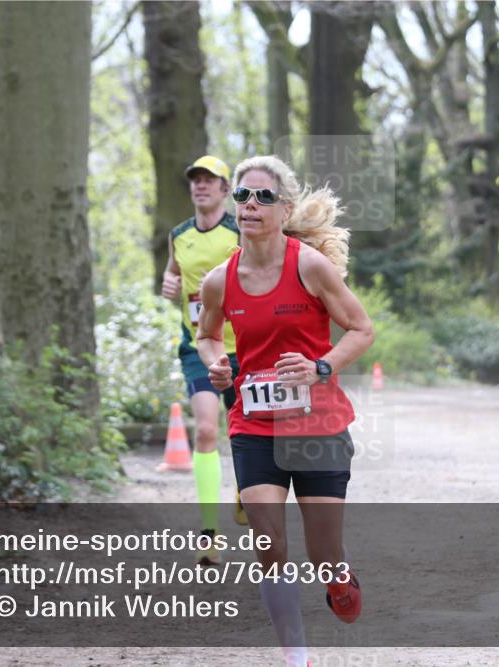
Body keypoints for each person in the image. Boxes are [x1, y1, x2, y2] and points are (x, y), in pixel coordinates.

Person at [196, 155, 374, 667]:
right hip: (254, 426)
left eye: (263, 197)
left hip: (317, 424)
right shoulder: (218, 280)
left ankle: (339, 578)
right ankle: (297, 656)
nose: (250, 205)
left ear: (285, 207)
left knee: (323, 557)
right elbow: (207, 336)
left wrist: (320, 367)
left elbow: (361, 330)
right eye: (243, 197)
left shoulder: (308, 267)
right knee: (269, 547)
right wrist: (218, 365)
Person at [161, 155, 247, 566]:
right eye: (196, 180)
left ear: (225, 189)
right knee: (208, 432)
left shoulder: (239, 232)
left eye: (210, 180)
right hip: (199, 345)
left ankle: (245, 491)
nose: (201, 186)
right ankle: (209, 532)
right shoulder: (179, 235)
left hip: (244, 345)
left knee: (246, 432)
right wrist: (168, 284)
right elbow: (172, 277)